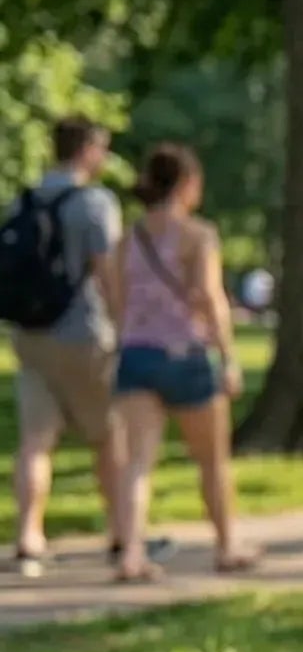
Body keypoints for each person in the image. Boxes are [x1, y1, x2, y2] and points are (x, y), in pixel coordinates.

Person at [109, 144, 256, 581]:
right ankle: (227, 544)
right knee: (212, 461)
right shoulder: (198, 235)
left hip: (136, 354)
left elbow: (118, 299)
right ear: (188, 184)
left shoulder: (127, 238)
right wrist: (227, 357)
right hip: (187, 355)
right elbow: (211, 298)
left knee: (138, 463)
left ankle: (131, 552)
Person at [5, 116, 125, 577]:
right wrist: (123, 325)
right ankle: (120, 533)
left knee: (36, 440)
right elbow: (107, 272)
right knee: (107, 435)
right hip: (83, 333)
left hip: (30, 335)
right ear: (88, 150)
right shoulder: (94, 203)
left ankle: (28, 538)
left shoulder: (27, 198)